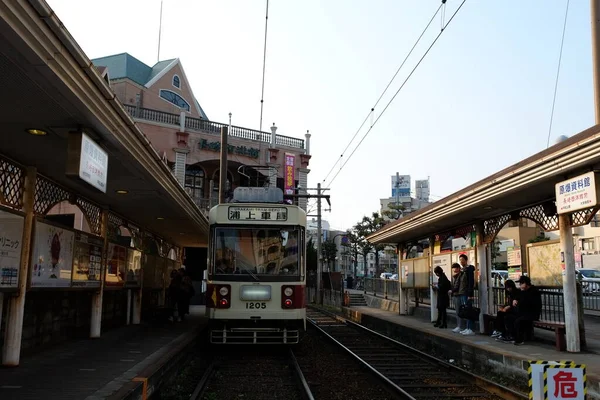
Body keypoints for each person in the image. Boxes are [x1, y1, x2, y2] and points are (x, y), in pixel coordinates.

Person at [499, 275, 542, 345]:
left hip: (532, 314)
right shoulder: (523, 291)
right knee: (508, 318)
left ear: (525, 283)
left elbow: (529, 303)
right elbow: (519, 298)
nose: (520, 285)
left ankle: (519, 339)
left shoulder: (534, 292)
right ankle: (511, 336)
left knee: (518, 321)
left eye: (521, 283)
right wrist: (515, 300)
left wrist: (521, 299)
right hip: (523, 313)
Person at [458, 254, 476, 335]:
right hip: (462, 292)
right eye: (460, 260)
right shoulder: (463, 270)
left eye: (462, 260)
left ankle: (471, 328)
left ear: (466, 260)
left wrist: (470, 294)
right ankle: (467, 327)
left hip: (467, 293)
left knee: (469, 310)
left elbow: (470, 282)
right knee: (466, 310)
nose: (461, 261)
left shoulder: (469, 269)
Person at [449, 263, 468, 333]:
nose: (454, 270)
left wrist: (452, 290)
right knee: (458, 311)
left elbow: (457, 286)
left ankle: (460, 326)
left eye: (455, 268)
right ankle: (459, 326)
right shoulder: (457, 276)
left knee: (459, 311)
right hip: (457, 294)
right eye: (453, 268)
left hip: (458, 294)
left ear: (458, 268)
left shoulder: (460, 275)